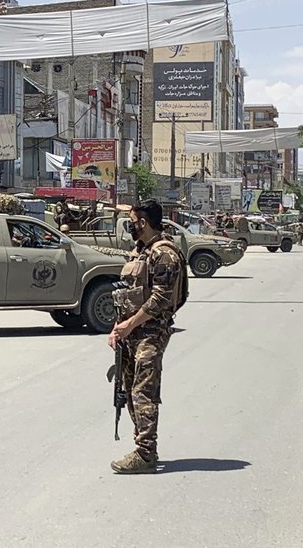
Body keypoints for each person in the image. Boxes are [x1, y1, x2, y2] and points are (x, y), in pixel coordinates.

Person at [108, 199, 185, 474]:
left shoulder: (165, 254)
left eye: (132, 221)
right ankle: (141, 447)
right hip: (131, 331)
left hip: (150, 332)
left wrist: (130, 324)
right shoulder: (142, 251)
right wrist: (118, 328)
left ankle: (146, 454)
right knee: (128, 391)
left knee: (144, 393)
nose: (129, 226)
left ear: (143, 222)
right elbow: (128, 292)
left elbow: (160, 300)